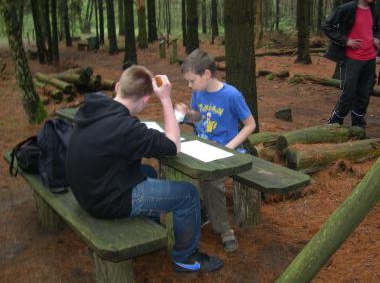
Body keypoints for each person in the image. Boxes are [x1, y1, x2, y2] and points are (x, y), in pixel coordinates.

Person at [66, 65, 223, 273]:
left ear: (117, 86)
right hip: (103, 201)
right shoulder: (127, 129)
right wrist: (166, 99)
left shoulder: (94, 105)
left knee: (148, 173)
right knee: (188, 195)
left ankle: (150, 221)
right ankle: (185, 258)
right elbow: (173, 147)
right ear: (147, 99)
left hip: (85, 190)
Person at [175, 49, 256, 253]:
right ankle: (200, 210)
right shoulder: (198, 92)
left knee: (212, 181)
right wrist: (187, 114)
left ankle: (223, 229)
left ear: (207, 74)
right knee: (178, 166)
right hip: (203, 147)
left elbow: (250, 124)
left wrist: (230, 146)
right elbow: (199, 118)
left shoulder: (231, 95)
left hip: (227, 152)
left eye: (192, 81)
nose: (189, 85)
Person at [322, 0, 380, 127]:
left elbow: (377, 29)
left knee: (365, 92)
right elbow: (327, 27)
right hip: (352, 59)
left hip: (370, 58)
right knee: (348, 92)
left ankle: (358, 122)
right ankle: (336, 121)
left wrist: (377, 38)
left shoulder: (373, 9)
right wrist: (346, 41)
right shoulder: (346, 9)